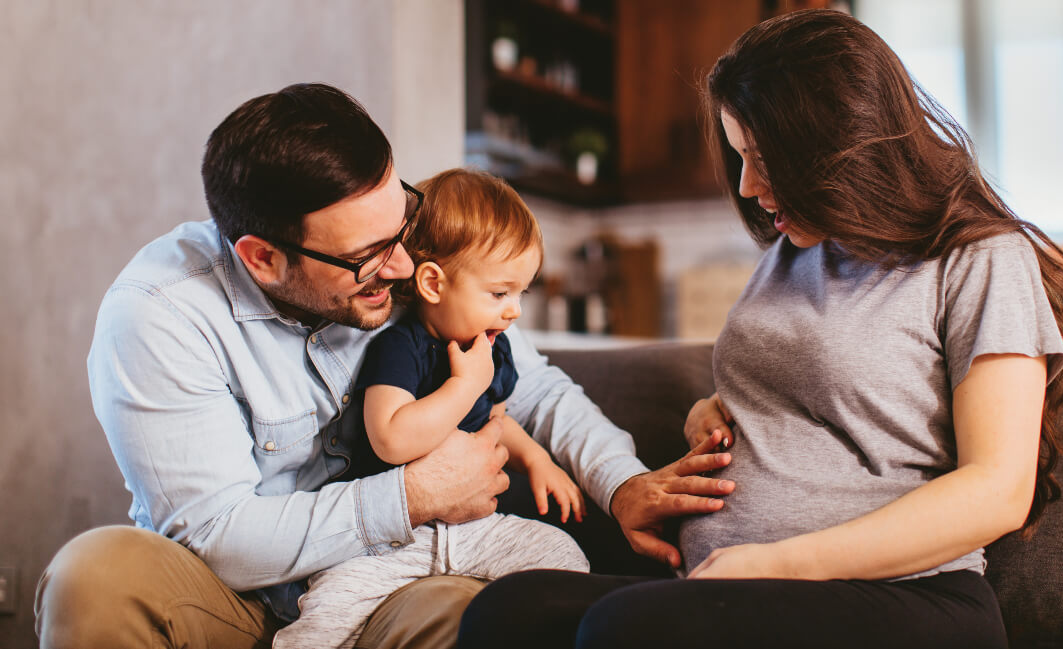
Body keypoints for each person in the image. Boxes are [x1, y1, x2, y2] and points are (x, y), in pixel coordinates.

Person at [458, 9, 1063, 649]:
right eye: (741, 157)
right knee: (510, 610)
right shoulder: (794, 252)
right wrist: (712, 413)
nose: (748, 185)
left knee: (624, 629)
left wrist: (780, 562)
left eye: (765, 159)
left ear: (842, 143)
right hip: (735, 587)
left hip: (905, 595)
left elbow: (998, 489)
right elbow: (813, 396)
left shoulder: (981, 257)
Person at [35, 83, 733, 649]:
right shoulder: (161, 313)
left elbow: (537, 387)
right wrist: (411, 495)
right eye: (369, 256)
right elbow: (217, 536)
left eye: (402, 223)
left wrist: (622, 484)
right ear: (262, 257)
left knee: (484, 610)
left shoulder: (399, 267)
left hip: (387, 583)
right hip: (232, 595)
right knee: (93, 576)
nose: (402, 266)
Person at [273, 168, 590, 649]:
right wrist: (465, 385)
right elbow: (392, 437)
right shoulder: (403, 347)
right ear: (433, 284)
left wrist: (538, 460)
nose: (515, 312)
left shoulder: (492, 350)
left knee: (565, 560)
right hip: (389, 542)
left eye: (522, 293)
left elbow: (495, 424)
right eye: (500, 293)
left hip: (476, 529)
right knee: (325, 617)